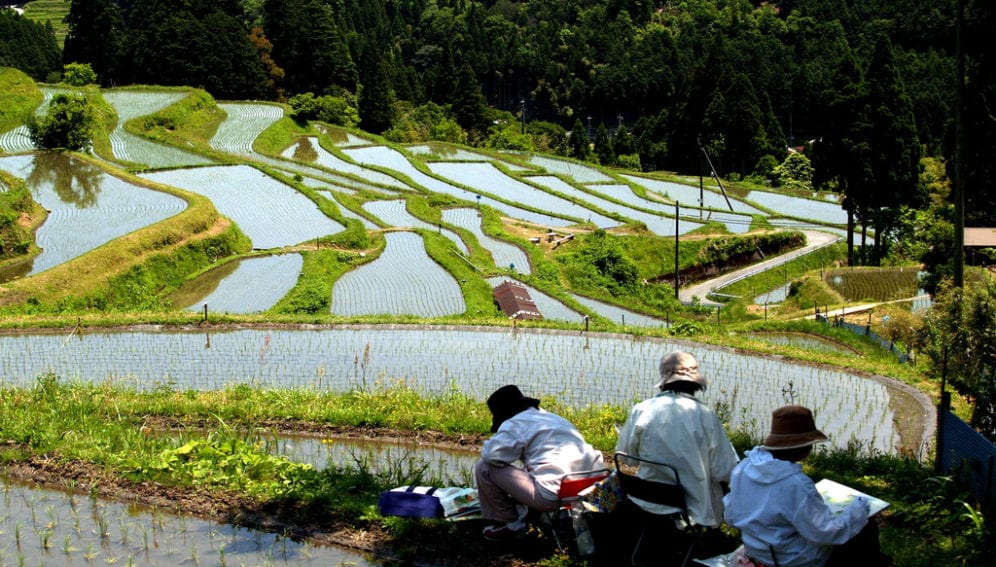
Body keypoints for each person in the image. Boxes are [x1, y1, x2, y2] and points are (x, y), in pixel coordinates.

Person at [723, 405, 891, 567]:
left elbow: (730, 515)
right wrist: (859, 509)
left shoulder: (743, 469)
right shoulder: (795, 484)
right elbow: (825, 533)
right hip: (793, 559)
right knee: (865, 527)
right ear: (802, 446)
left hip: (757, 550)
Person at [614, 350, 739, 528]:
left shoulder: (641, 409)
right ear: (695, 384)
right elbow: (724, 469)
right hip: (690, 502)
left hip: (645, 495)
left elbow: (625, 456)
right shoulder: (705, 415)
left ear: (663, 382)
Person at [475, 384, 605, 541]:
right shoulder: (553, 418)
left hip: (553, 497)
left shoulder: (514, 423)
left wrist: (496, 442)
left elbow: (491, 456)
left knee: (485, 467)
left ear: (504, 414)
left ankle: (511, 524)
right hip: (591, 489)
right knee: (532, 467)